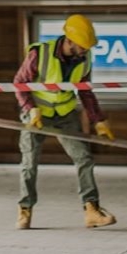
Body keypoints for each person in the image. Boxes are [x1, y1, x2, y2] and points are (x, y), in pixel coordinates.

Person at [13, 14, 116, 230]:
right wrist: (31, 109)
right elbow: (20, 83)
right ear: (69, 40)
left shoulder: (84, 59)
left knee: (84, 158)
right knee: (29, 163)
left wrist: (99, 121)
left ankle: (91, 210)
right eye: (82, 46)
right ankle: (25, 211)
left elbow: (86, 93)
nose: (86, 50)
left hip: (65, 115)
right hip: (37, 114)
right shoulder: (39, 54)